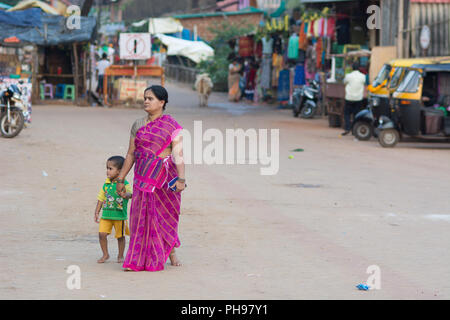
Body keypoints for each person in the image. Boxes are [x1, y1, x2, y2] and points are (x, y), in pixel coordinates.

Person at [116, 85, 186, 272]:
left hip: (164, 179)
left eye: (151, 98)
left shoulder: (172, 126)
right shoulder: (138, 125)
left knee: (164, 216)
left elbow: (178, 155)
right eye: (145, 98)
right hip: (142, 178)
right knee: (140, 218)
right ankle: (136, 259)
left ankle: (170, 251)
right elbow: (131, 154)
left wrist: (181, 179)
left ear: (162, 102)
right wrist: (121, 179)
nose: (146, 101)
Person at [94, 156, 132, 264]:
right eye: (107, 168)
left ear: (119, 171)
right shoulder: (106, 184)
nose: (107, 171)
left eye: (110, 169)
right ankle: (105, 254)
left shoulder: (125, 184)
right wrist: (97, 212)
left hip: (119, 216)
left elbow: (131, 194)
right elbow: (101, 198)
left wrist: (125, 195)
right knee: (101, 234)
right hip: (106, 215)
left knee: (120, 237)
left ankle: (120, 255)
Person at [342, 62, 366, 135]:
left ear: (352, 68)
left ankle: (347, 128)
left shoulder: (348, 76)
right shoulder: (363, 76)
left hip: (349, 98)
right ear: (359, 68)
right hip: (358, 98)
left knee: (347, 114)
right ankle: (355, 130)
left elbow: (344, 82)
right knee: (357, 115)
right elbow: (364, 83)